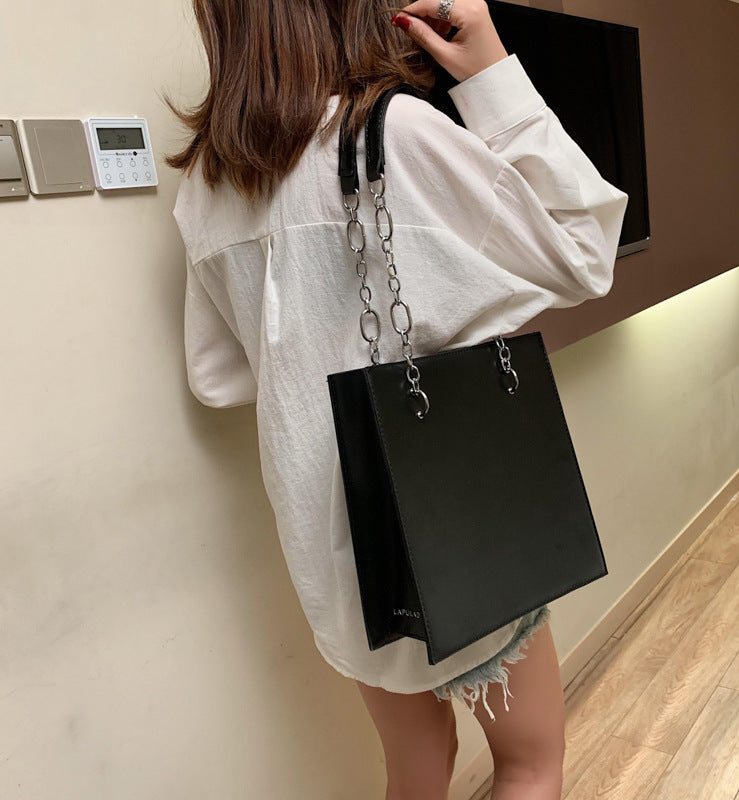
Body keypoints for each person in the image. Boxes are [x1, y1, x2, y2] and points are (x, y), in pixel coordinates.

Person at [165, 0, 628, 798]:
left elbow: (218, 376)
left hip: (333, 556)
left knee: (415, 766)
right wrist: (492, 75)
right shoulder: (396, 136)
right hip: (453, 526)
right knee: (529, 762)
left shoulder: (209, 181)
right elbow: (586, 250)